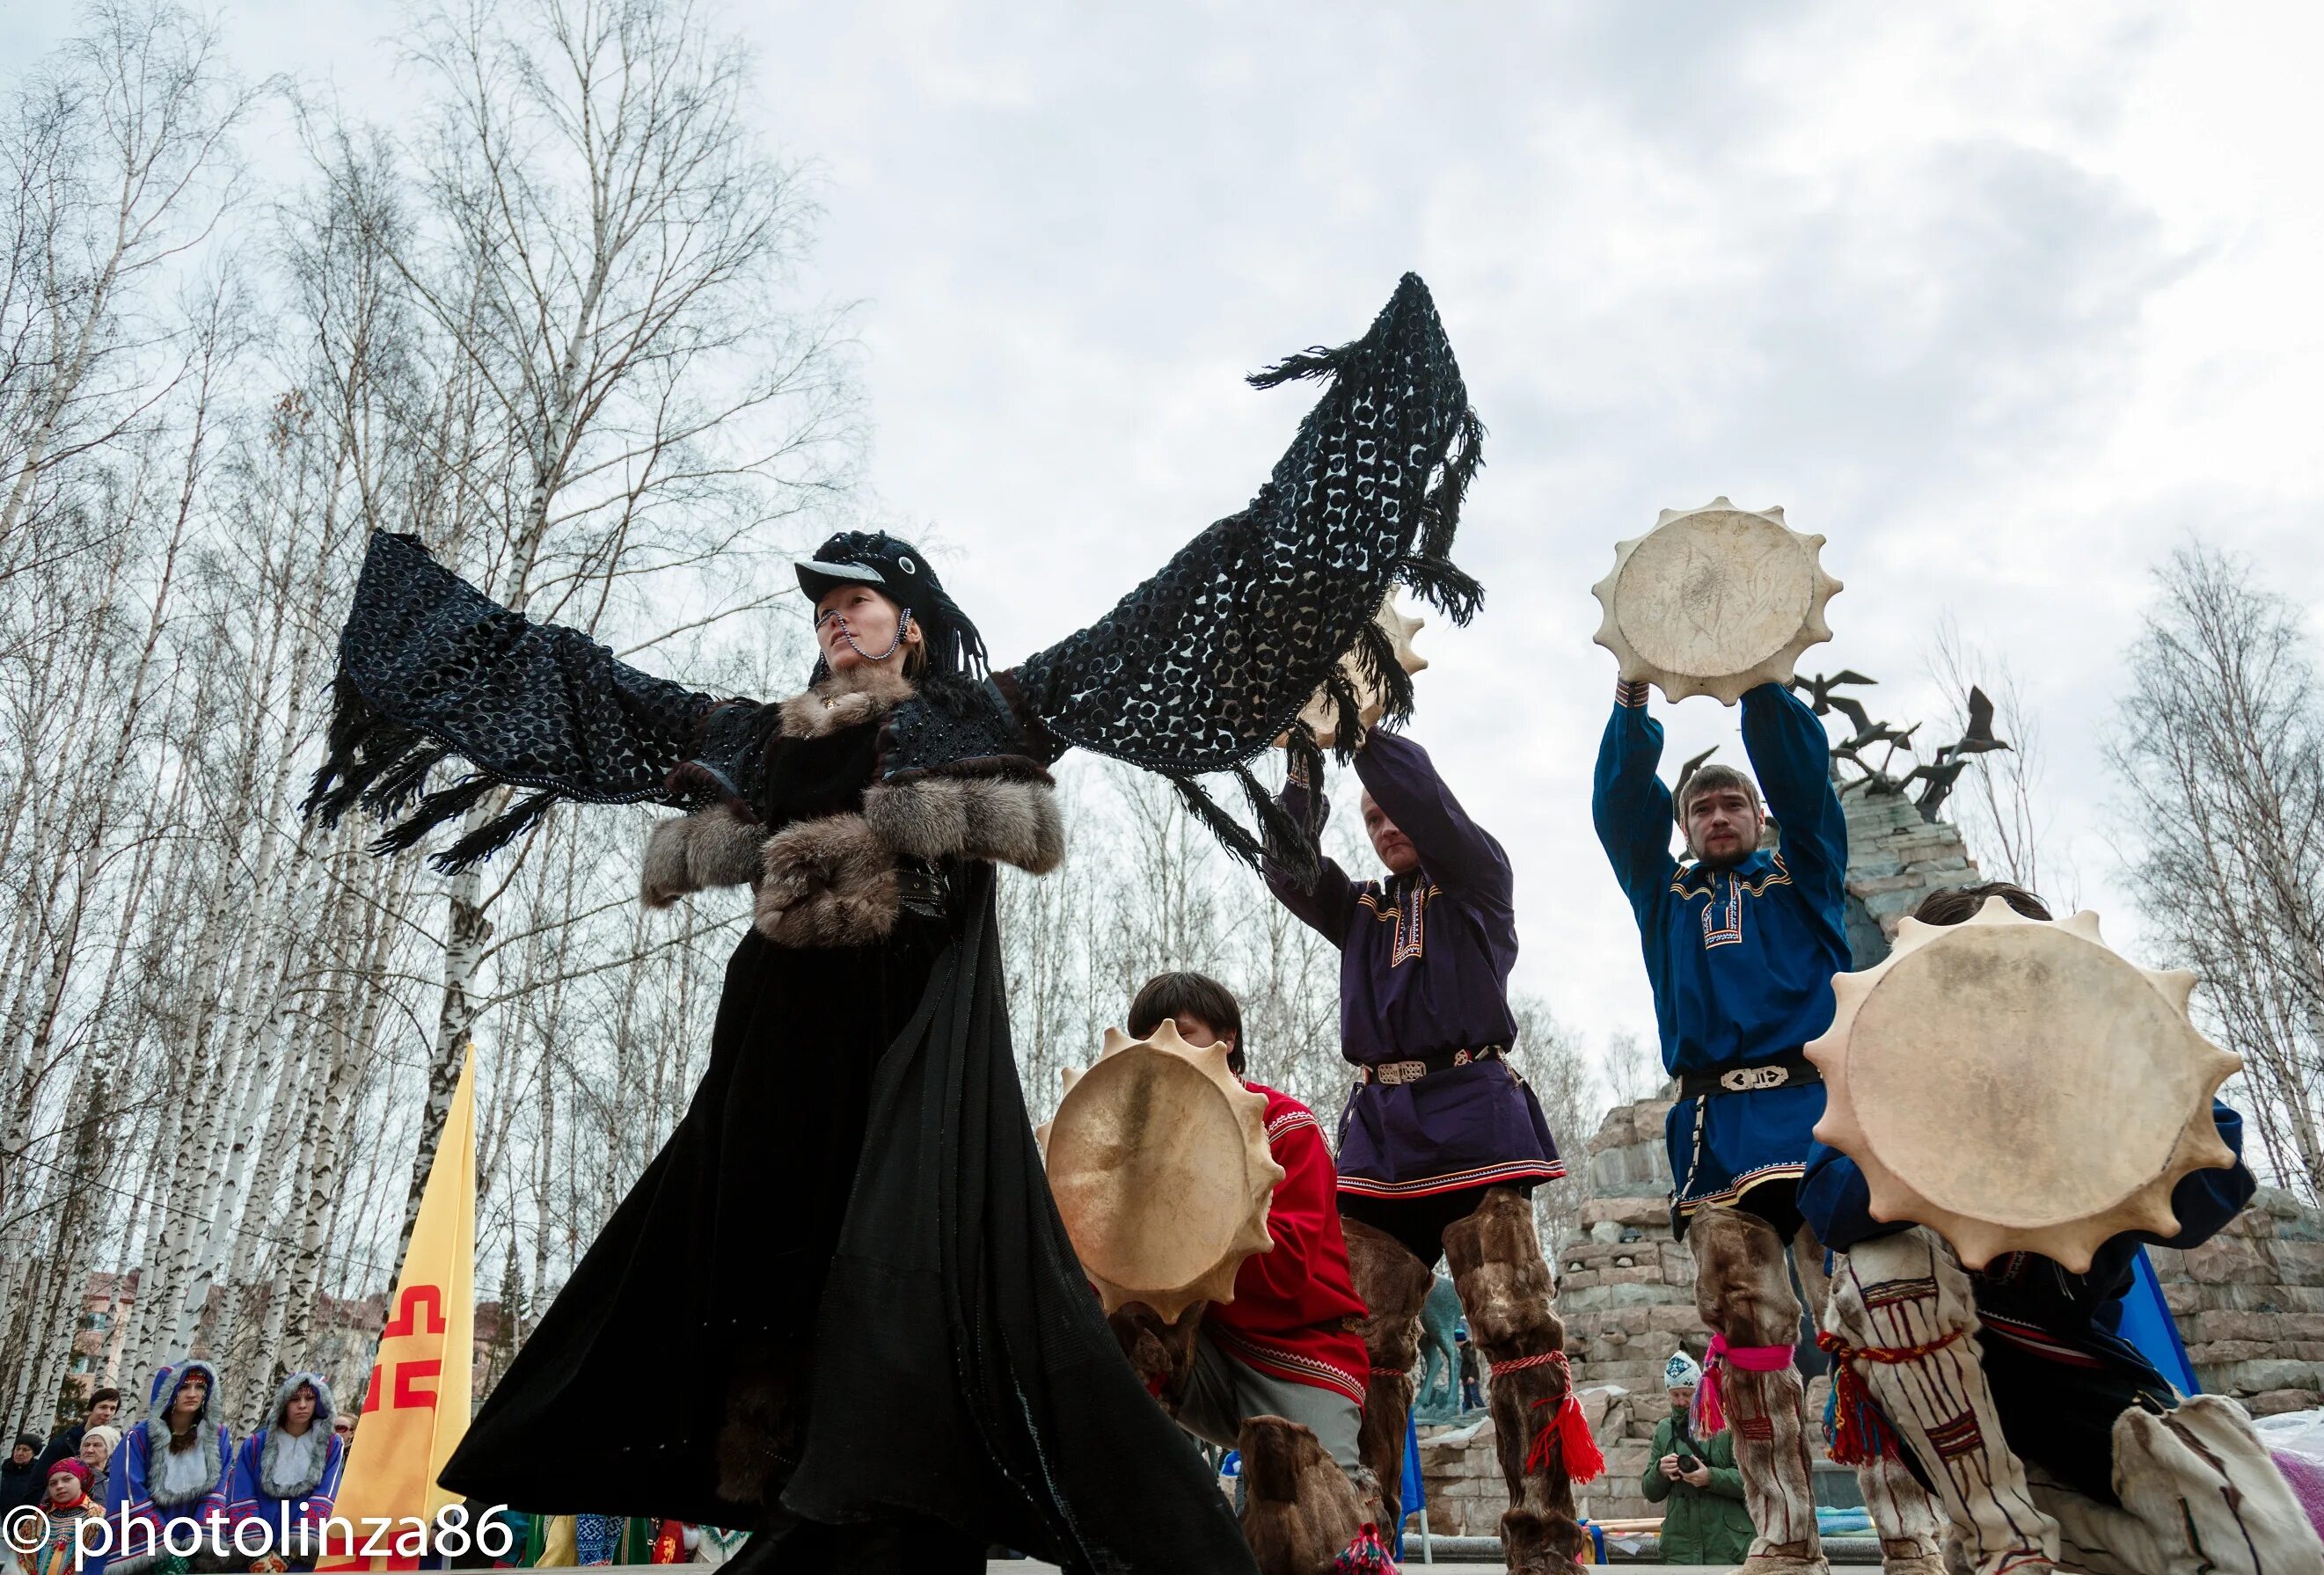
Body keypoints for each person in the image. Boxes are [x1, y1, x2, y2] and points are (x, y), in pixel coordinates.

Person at [311, 273, 1487, 1575]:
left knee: (907, 1276)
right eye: (820, 604)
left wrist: (1347, 468)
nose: (832, 614)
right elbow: (592, 694)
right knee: (765, 1277)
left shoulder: (979, 717)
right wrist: (431, 626)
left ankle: (953, 1513)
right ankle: (808, 1497)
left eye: (857, 598)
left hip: (908, 1054)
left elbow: (1168, 619)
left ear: (911, 623)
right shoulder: (751, 734)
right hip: (775, 1052)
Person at [1801, 881, 2324, 1575]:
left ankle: (2028, 1521)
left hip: (2071, 1365)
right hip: (1936, 1369)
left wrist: (2096, 1075)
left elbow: (2213, 1185)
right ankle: (2001, 1541)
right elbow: (1830, 1204)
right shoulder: (1877, 1078)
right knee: (1884, 1262)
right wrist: (1963, 1104)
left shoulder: (2107, 1064)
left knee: (2272, 1556)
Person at [1593, 675, 1945, 1575]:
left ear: (1757, 815)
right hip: (1717, 1124)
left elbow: (1802, 779)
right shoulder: (1661, 897)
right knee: (1745, 1336)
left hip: (1821, 1111)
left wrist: (1756, 681)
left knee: (1876, 1314)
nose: (1716, 816)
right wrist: (1631, 705)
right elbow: (1615, 812)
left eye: (1731, 802)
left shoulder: (1803, 872)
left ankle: (1909, 1531)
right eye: (1700, 806)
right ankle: (1784, 1535)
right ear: (1682, 827)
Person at [1265, 726, 1588, 1575]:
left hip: (1476, 1119)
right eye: (1369, 817)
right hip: (1378, 1137)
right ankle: (1363, 1533)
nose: (1384, 825)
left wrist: (1358, 721)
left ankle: (1546, 1538)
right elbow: (1290, 866)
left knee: (1514, 1330)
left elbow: (1428, 805)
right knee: (1364, 1344)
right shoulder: (1363, 911)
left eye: (1394, 810)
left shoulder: (1476, 881)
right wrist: (1304, 758)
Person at [1116, 972, 1383, 1567]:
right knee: (1103, 1333)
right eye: (1146, 1040)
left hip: (1301, 1352)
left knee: (1308, 1526)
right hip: (1200, 1353)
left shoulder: (1287, 1126)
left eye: (1180, 1033)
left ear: (1227, 1038)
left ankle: (1350, 1499)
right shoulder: (1137, 1145)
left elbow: (1283, 1270)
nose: (1160, 1051)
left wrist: (1183, 1197)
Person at [107, 1359, 232, 1575]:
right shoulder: (138, 1438)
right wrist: (161, 1551)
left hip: (194, 1542)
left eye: (199, 1387)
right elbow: (129, 1494)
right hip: (145, 1549)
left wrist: (196, 1544)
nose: (192, 1393)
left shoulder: (217, 1436)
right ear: (166, 1391)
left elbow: (218, 1490)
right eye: (184, 1387)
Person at [1640, 1351, 1751, 1566]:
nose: (1681, 1401)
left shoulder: (1726, 1425)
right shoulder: (1664, 1430)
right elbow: (1649, 1492)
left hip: (1726, 1545)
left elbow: (1748, 1481)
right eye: (1675, 1395)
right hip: (1680, 1547)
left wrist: (1710, 1477)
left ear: (1699, 1389)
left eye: (1687, 1394)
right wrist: (1660, 1472)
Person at [225, 1374, 343, 1570]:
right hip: (253, 1549)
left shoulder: (331, 1445)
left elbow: (326, 1495)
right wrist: (254, 1548)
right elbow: (240, 1494)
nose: (303, 1405)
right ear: (283, 1402)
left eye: (310, 1398)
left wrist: (288, 1553)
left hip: (300, 1555)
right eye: (295, 1399)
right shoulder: (255, 1444)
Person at [16, 1461, 105, 1575]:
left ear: (82, 1480)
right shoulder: (36, 1519)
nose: (59, 1486)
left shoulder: (100, 1517)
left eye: (67, 1479)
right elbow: (17, 1560)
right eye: (53, 1483)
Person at [36, 1390, 119, 1478]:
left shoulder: (116, 1447)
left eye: (112, 1409)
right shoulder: (63, 1444)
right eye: (103, 1407)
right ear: (91, 1409)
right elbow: (37, 1485)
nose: (108, 1413)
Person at [1, 1433, 44, 1513]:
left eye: (25, 1450)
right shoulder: (3, 1471)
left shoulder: (38, 1475)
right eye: (18, 1448)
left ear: (34, 1454)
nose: (20, 1453)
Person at [72, 1430, 113, 1506]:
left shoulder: (118, 1476)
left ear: (108, 1451)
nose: (89, 1450)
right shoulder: (66, 1471)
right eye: (86, 1445)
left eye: (97, 1445)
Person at [1454, 1328, 1480, 1414]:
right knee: (1467, 1398)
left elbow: (1473, 1363)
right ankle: (1466, 1415)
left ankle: (1484, 1412)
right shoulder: (1463, 1350)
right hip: (1465, 1378)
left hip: (1471, 1378)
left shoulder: (1469, 1349)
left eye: (1456, 1341)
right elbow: (1463, 1366)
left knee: (1475, 1396)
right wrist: (1462, 1378)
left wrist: (1472, 1376)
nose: (1456, 1343)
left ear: (1459, 1340)